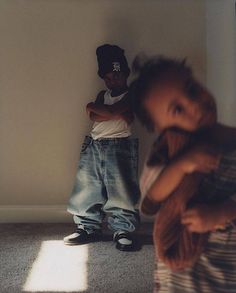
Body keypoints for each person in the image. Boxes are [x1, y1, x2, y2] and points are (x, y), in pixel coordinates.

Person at [129, 56, 236, 292]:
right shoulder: (169, 152)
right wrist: (181, 165)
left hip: (223, 275)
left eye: (192, 89)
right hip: (178, 279)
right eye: (177, 109)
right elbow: (149, 202)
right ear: (160, 128)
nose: (195, 104)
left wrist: (222, 212)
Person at [64, 44, 140, 251]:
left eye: (116, 76)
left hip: (120, 146)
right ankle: (87, 227)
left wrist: (101, 110)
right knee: (87, 186)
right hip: (94, 145)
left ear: (125, 74)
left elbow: (108, 110)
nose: (112, 80)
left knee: (121, 188)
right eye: (107, 77)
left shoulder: (132, 94)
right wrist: (106, 111)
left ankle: (123, 229)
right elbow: (96, 113)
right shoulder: (102, 94)